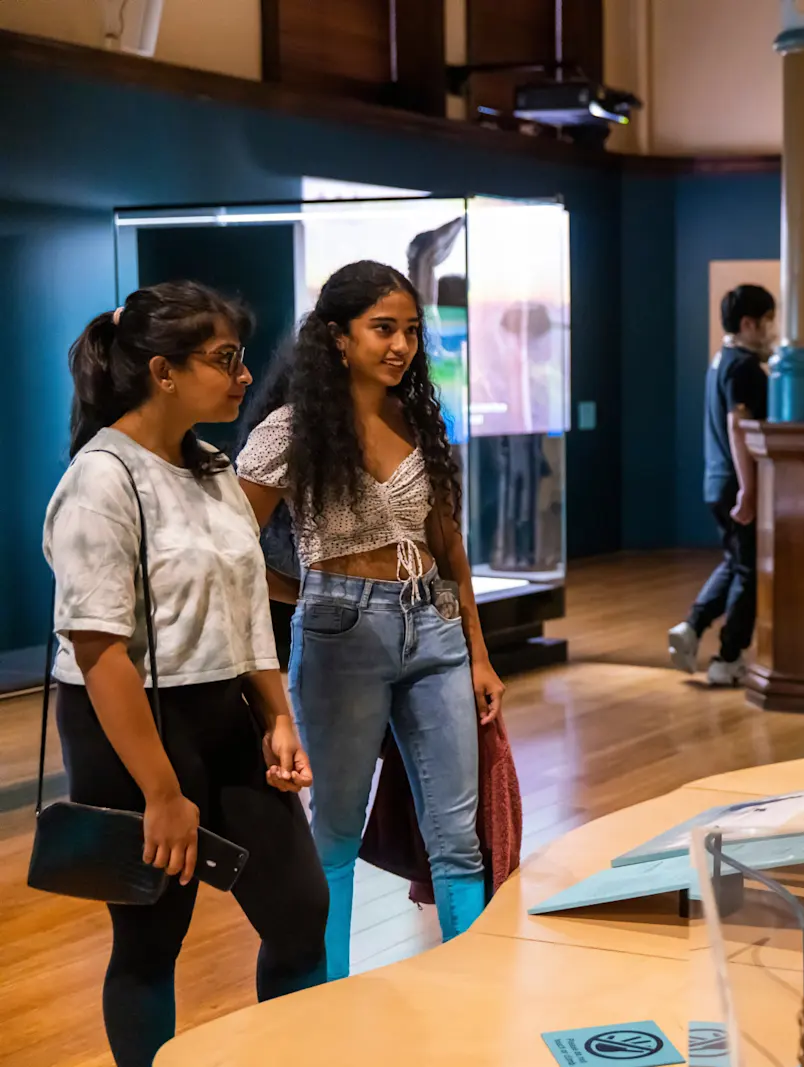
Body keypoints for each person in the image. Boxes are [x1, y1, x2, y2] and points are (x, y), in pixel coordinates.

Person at [43, 282, 326, 1067]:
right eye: (225, 360)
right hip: (129, 726)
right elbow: (100, 654)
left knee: (301, 911)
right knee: (150, 936)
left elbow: (246, 608)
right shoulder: (102, 480)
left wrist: (275, 713)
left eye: (239, 358)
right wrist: (163, 793)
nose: (244, 377)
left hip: (224, 712)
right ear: (163, 372)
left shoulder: (212, 467)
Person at [235, 260, 504, 981]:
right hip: (339, 633)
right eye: (383, 328)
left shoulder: (416, 418)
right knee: (334, 832)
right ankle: (328, 1004)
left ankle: (471, 995)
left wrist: (478, 651)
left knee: (456, 837)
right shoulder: (290, 430)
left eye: (411, 331)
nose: (401, 346)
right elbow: (229, 546)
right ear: (337, 336)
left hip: (437, 630)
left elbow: (448, 544)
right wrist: (302, 588)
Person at [668, 284, 775, 685]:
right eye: (767, 321)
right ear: (748, 323)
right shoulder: (744, 367)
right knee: (749, 571)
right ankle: (727, 659)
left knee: (736, 561)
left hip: (716, 480)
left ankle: (693, 626)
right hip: (736, 482)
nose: (771, 329)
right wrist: (749, 487)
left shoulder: (722, 360)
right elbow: (738, 425)